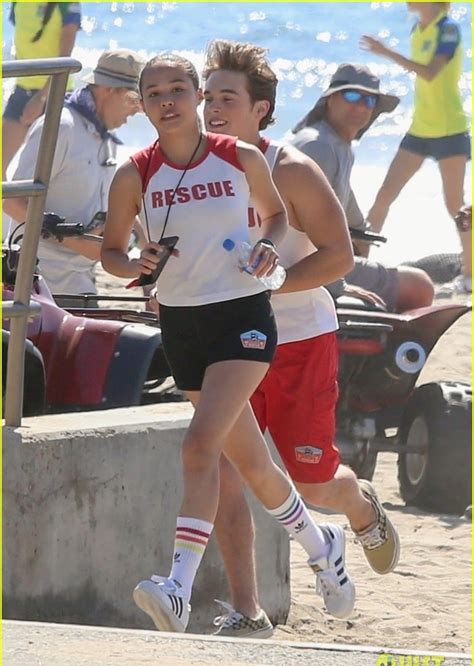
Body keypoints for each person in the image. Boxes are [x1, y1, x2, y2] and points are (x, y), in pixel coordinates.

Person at [101, 52, 357, 634]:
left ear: (194, 97)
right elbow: (116, 253)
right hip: (183, 325)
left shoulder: (250, 159)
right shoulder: (134, 173)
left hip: (248, 320)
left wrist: (269, 256)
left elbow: (284, 223)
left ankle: (178, 589)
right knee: (252, 464)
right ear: (141, 106)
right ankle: (319, 545)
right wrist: (133, 265)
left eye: (181, 90)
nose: (171, 101)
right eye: (154, 93)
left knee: (200, 446)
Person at [202, 39, 400, 638]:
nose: (211, 108)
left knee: (311, 481)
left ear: (260, 109)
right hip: (228, 343)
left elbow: (340, 258)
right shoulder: (194, 164)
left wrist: (270, 288)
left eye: (226, 99)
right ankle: (248, 612)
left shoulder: (290, 168)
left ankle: (361, 509)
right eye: (206, 95)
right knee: (224, 474)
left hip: (299, 341)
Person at [291, 62, 434, 312]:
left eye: (369, 101)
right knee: (419, 286)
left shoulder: (340, 145)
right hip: (302, 264)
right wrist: (338, 283)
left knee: (366, 248)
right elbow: (298, 228)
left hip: (321, 258)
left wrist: (362, 239)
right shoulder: (318, 147)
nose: (360, 106)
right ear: (330, 99)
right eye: (352, 95)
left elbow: (350, 214)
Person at [3, 49, 143, 304]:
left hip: (83, 285)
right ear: (110, 90)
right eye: (134, 100)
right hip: (39, 287)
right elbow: (11, 201)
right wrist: (78, 241)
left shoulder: (105, 136)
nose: (137, 111)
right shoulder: (60, 126)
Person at [361, 2, 471, 294]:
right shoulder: (417, 29)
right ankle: (358, 263)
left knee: (456, 206)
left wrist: (386, 52)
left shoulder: (448, 30)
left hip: (450, 129)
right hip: (420, 128)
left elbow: (431, 72)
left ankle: (469, 275)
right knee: (385, 194)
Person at [2, 2, 82, 179]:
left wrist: (41, 97)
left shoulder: (67, 3)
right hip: (23, 88)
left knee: (48, 174)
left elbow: (64, 57)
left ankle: (40, 208)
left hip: (57, 92)